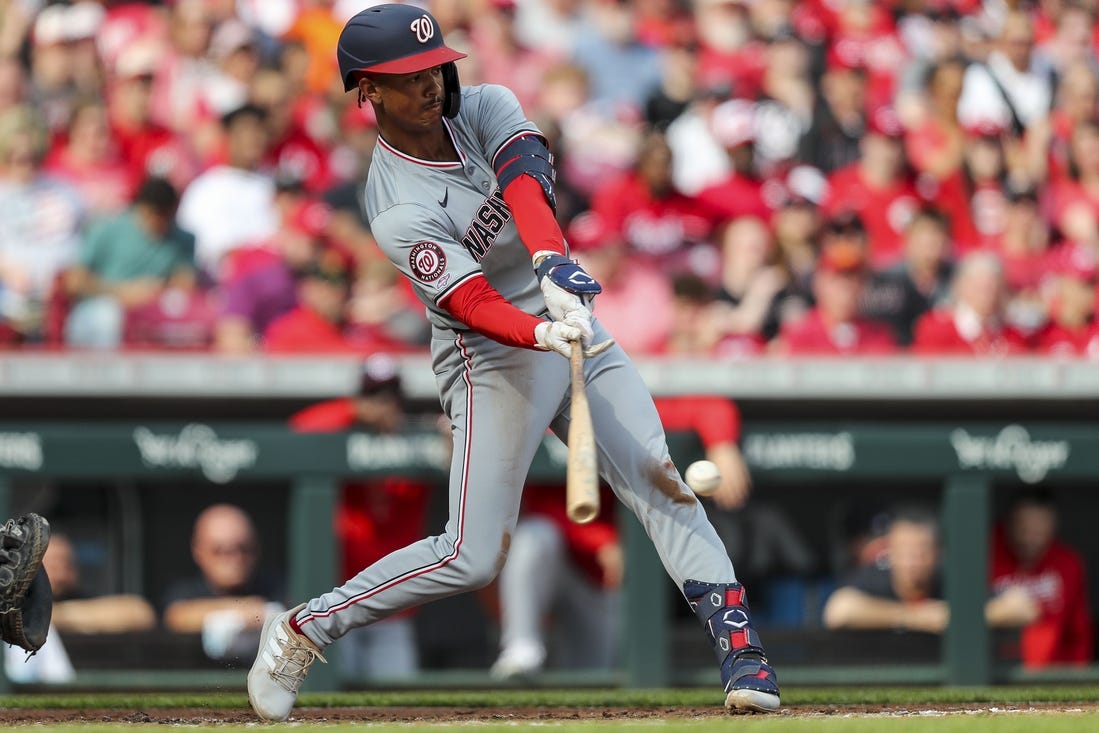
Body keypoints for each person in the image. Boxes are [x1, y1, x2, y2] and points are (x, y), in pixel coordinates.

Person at [247, 5, 779, 720]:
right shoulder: (394, 203)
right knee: (470, 554)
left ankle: (742, 653)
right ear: (366, 90)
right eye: (407, 77)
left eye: (434, 64)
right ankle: (305, 625)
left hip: (566, 312)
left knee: (659, 480)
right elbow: (468, 301)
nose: (431, 82)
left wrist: (552, 263)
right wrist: (534, 333)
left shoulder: (486, 102)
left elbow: (524, 179)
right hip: (488, 356)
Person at [289, 355, 433, 681]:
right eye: (373, 395)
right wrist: (353, 412)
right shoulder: (340, 437)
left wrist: (441, 433)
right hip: (338, 601)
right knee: (333, 697)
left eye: (389, 396)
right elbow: (297, 430)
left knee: (398, 701)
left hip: (394, 608)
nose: (382, 404)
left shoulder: (418, 441)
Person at [822, 506, 1039, 634]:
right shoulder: (875, 576)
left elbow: (1023, 607)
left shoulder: (950, 577)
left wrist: (958, 617)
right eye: (904, 551)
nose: (913, 561)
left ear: (936, 553)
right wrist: (913, 616)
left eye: (921, 552)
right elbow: (838, 611)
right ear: (892, 552)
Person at [62, 176, 198, 349]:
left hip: (153, 313)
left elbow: (185, 282)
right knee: (108, 317)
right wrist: (123, 292)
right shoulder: (107, 228)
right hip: (102, 307)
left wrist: (156, 291)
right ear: (140, 208)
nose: (158, 222)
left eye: (165, 216)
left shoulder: (182, 238)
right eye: (152, 214)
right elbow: (74, 281)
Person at [162, 504, 284, 661]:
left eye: (242, 548)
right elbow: (175, 617)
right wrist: (244, 610)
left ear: (256, 548)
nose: (233, 558)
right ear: (198, 551)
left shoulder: (276, 588)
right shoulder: (183, 592)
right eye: (219, 550)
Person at [991, 488, 1093, 668]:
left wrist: (1076, 677)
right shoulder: (987, 552)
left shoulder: (1067, 563)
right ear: (1009, 524)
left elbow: (1078, 632)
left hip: (1053, 674)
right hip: (1000, 670)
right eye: (1024, 528)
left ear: (1052, 526)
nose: (1030, 538)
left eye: (1038, 530)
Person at [43, 532, 156, 634]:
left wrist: (57, 616)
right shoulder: (26, 602)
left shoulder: (80, 598)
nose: (61, 575)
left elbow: (140, 613)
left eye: (68, 566)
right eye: (53, 566)